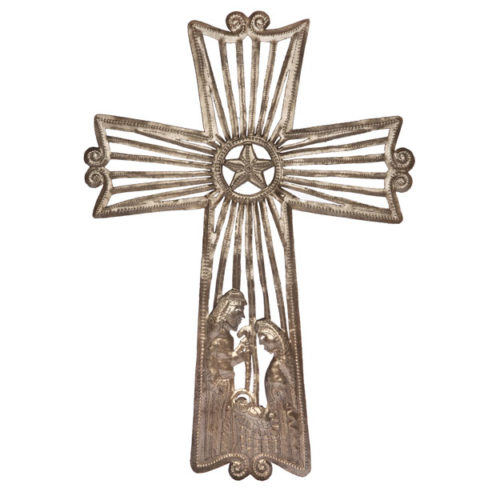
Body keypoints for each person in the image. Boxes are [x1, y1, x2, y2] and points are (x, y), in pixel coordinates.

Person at [203, 289, 249, 457]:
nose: (242, 316)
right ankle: (216, 451)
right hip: (219, 388)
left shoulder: (222, 335)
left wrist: (239, 351)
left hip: (223, 385)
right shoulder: (221, 336)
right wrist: (243, 355)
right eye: (239, 312)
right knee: (219, 422)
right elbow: (225, 363)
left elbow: (226, 359)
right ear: (229, 311)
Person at [255, 319, 299, 460]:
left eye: (264, 343)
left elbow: (292, 382)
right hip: (275, 405)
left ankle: (288, 453)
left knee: (283, 429)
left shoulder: (283, 360)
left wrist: (294, 402)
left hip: (282, 406)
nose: (264, 348)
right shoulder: (278, 359)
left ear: (272, 339)